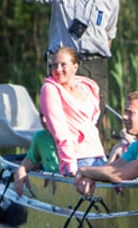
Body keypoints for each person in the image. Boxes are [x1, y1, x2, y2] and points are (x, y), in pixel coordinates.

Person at [0, 0, 120, 126]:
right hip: (62, 66)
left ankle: (93, 155)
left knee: (93, 123)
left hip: (95, 67)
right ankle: (56, 154)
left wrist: (97, 59)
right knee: (57, 120)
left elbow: (109, 36)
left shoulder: (111, 1)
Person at [39, 47, 106, 176]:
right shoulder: (50, 89)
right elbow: (60, 132)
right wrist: (70, 166)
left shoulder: (87, 87)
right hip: (78, 159)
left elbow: (91, 122)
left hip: (98, 154)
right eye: (54, 65)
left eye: (63, 65)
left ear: (75, 67)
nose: (58, 69)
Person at [13, 115, 60, 196]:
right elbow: (29, 161)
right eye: (41, 116)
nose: (44, 120)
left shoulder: (77, 134)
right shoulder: (39, 138)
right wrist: (21, 170)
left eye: (47, 113)